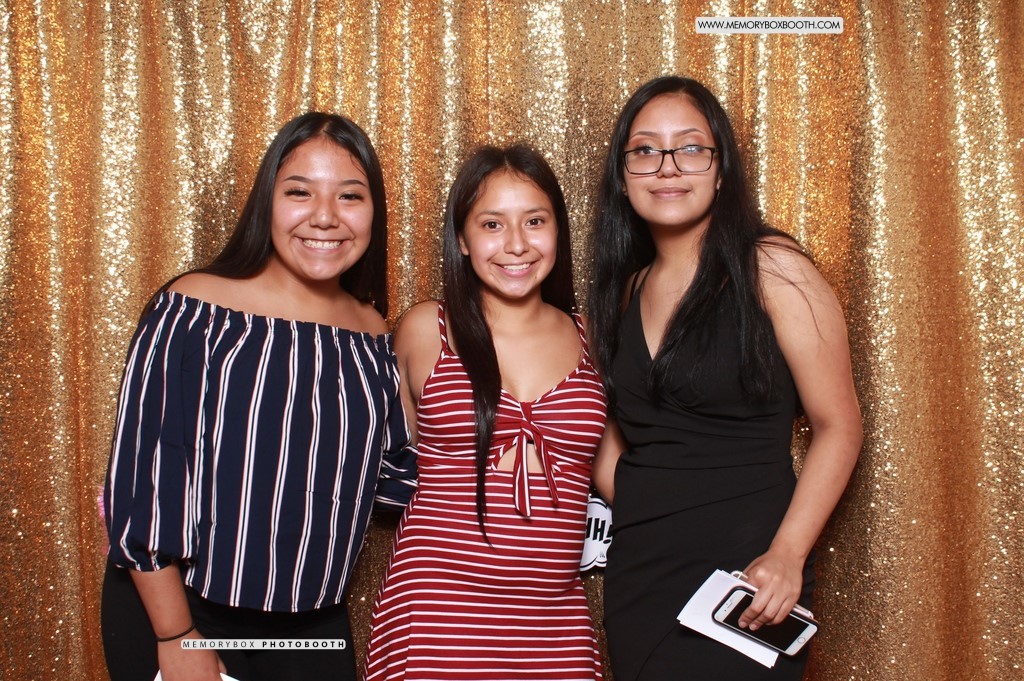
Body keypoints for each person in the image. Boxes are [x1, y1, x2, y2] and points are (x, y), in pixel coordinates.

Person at [101, 111, 416, 681]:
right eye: (300, 192)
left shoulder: (372, 333)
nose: (326, 216)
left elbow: (392, 486)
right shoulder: (196, 308)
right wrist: (176, 636)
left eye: (350, 195)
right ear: (266, 201)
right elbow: (144, 481)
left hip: (312, 621)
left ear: (375, 212)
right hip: (186, 610)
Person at [588, 76, 863, 681]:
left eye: (690, 147)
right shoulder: (627, 289)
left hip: (749, 578)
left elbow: (839, 425)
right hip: (641, 578)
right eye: (645, 150)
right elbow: (619, 433)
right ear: (623, 175)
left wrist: (788, 554)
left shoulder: (773, 269)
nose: (667, 167)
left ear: (721, 170)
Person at [362, 144, 607, 680]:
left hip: (554, 622)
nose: (516, 244)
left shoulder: (593, 339)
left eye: (535, 221)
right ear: (462, 239)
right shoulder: (427, 328)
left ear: (559, 231)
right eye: (492, 224)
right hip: (437, 614)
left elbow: (622, 477)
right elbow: (380, 456)